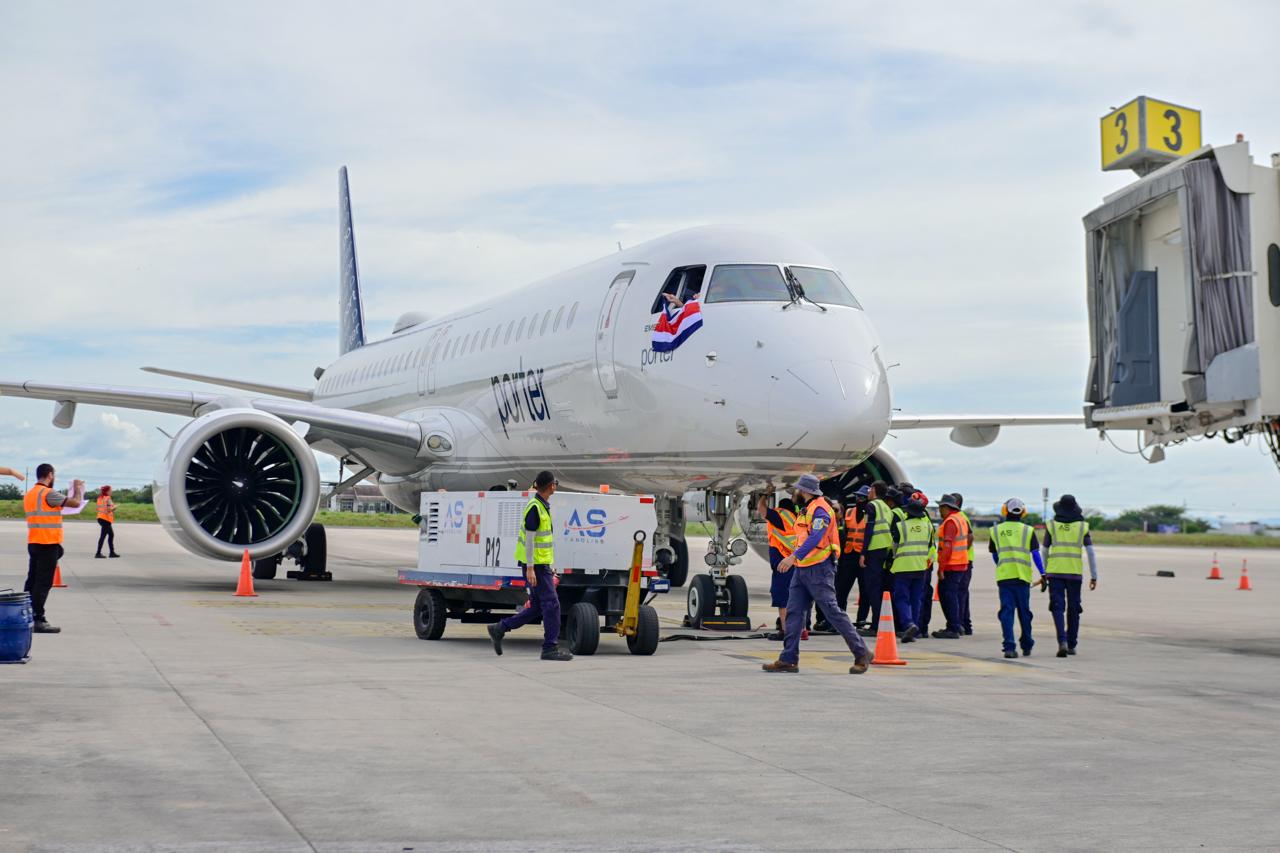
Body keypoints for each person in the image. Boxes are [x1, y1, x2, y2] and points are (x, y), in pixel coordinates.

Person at [762, 474, 873, 675]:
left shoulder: (821, 509)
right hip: (803, 569)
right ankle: (788, 659)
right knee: (794, 613)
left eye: (798, 488)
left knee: (832, 612)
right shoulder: (807, 509)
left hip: (818, 569)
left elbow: (815, 538)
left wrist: (792, 557)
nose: (795, 491)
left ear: (804, 490)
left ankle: (862, 652)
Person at [487, 471, 572, 661]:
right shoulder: (535, 508)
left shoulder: (541, 505)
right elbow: (531, 540)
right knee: (552, 604)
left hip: (541, 565)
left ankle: (499, 628)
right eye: (555, 483)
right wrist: (531, 568)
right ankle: (550, 647)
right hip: (536, 567)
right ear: (551, 486)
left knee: (536, 607)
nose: (555, 486)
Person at [24, 464, 85, 634]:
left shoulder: (30, 494)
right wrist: (78, 489)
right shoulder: (48, 493)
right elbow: (75, 503)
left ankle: (27, 615)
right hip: (47, 543)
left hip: (34, 541)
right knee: (43, 583)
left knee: (32, 580)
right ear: (50, 475)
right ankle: (38, 619)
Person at [988, 498, 1045, 658]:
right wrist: (1043, 574)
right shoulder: (1028, 530)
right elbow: (1035, 554)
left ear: (1005, 510)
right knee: (1024, 612)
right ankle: (1026, 644)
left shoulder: (996, 531)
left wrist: (1002, 565)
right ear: (1023, 512)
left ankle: (1009, 647)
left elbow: (995, 555)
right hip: (1023, 578)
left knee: (1007, 612)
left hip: (1004, 578)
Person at [1043, 494, 1098, 657]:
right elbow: (1091, 552)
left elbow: (1044, 550)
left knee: (1057, 607)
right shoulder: (1082, 527)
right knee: (1074, 608)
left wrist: (1044, 572)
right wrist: (1094, 575)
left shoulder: (1052, 526)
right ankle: (1072, 643)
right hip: (1075, 573)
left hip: (1055, 572)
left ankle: (1062, 641)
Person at [889, 491, 935, 643]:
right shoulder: (928, 527)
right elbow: (930, 547)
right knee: (916, 599)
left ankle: (908, 623)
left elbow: (894, 547)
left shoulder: (901, 526)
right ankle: (913, 628)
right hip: (920, 567)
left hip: (902, 567)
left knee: (901, 597)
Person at [757, 494, 804, 641]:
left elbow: (761, 509)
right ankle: (801, 630)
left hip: (784, 565)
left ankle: (785, 631)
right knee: (797, 598)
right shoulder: (796, 519)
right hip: (796, 563)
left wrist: (764, 495)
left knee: (783, 600)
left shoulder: (781, 516)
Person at [854, 480, 894, 637]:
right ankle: (878, 622)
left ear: (875, 490)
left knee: (872, 589)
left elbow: (869, 531)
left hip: (874, 550)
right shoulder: (886, 508)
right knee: (878, 588)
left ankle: (876, 625)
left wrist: (863, 553)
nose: (868, 492)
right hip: (884, 550)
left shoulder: (872, 506)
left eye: (870, 489)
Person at [932, 494, 971, 638]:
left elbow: (947, 546)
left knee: (947, 596)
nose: (939, 510)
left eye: (940, 508)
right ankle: (955, 625)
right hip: (961, 563)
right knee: (952, 595)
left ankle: (953, 628)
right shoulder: (960, 518)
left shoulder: (950, 522)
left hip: (951, 565)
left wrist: (941, 567)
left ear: (946, 508)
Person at [835, 486, 868, 614]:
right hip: (848, 556)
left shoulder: (870, 514)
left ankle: (861, 619)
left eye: (862, 497)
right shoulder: (849, 512)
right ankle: (839, 617)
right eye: (857, 497)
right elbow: (843, 532)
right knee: (842, 589)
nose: (859, 500)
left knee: (865, 591)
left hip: (863, 557)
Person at [952, 493, 975, 635]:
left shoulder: (960, 518)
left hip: (964, 560)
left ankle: (960, 623)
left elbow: (971, 537)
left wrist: (962, 553)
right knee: (963, 593)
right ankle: (966, 624)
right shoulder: (961, 517)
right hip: (965, 559)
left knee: (960, 593)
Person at [95, 485, 120, 558]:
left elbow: (98, 508)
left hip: (100, 518)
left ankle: (111, 552)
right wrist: (115, 507)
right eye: (110, 490)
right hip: (105, 519)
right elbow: (109, 510)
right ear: (107, 491)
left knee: (110, 535)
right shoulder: (108, 498)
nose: (111, 491)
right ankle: (98, 553)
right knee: (103, 536)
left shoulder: (100, 498)